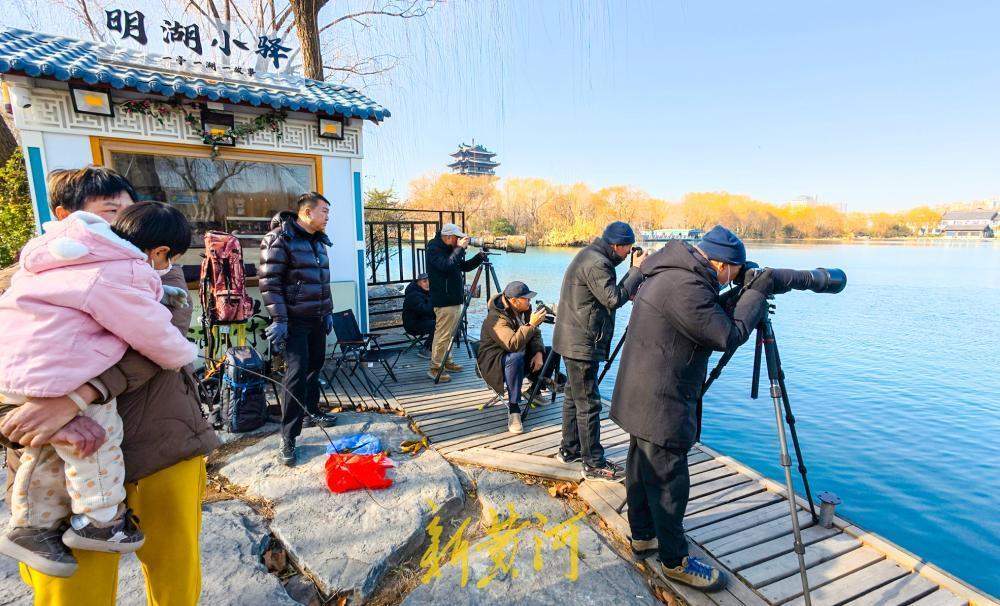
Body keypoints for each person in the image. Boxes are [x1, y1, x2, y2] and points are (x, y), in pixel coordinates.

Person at [0, 165, 219, 604]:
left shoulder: (157, 272)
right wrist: (17, 415)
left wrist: (76, 397)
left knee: (175, 572)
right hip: (59, 461)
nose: (121, 227)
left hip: (161, 445)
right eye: (110, 213)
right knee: (72, 589)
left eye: (127, 213)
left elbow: (161, 345)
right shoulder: (19, 281)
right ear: (65, 216)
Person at [609, 225, 771, 591]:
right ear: (720, 264)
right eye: (734, 271)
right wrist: (755, 296)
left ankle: (644, 536)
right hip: (661, 401)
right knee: (668, 481)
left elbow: (703, 317)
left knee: (640, 469)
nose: (733, 277)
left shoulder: (672, 272)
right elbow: (725, 335)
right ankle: (675, 561)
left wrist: (736, 297)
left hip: (641, 394)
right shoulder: (687, 286)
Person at [552, 221, 645, 482]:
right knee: (589, 403)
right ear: (617, 245)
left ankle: (570, 450)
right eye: (628, 249)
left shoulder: (592, 255)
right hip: (581, 343)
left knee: (574, 396)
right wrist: (636, 271)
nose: (629, 253)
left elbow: (607, 288)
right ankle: (593, 463)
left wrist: (630, 271)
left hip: (572, 338)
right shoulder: (597, 263)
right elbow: (613, 298)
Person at [259, 192, 339, 467]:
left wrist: (327, 312)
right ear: (307, 213)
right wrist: (279, 320)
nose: (328, 217)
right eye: (324, 211)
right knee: (295, 374)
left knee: (315, 366)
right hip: (293, 321)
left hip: (317, 317)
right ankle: (288, 436)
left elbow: (323, 282)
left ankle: (311, 411)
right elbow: (270, 283)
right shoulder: (280, 239)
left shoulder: (318, 242)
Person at [477, 281, 562, 434]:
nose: (529, 301)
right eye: (526, 298)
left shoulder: (524, 309)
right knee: (515, 357)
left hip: (516, 355)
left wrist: (538, 353)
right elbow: (512, 344)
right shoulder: (495, 318)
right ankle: (514, 409)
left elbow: (535, 334)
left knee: (552, 351)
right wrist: (531, 325)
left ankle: (534, 390)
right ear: (514, 301)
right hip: (493, 363)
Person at [424, 223, 485, 383]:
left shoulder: (449, 249)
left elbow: (462, 267)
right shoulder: (434, 249)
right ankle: (435, 367)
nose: (459, 240)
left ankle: (447, 361)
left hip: (454, 298)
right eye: (457, 238)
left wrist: (479, 257)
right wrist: (459, 249)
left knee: (450, 333)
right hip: (444, 300)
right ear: (449, 237)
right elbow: (446, 266)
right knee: (442, 335)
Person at [402, 273, 435, 359]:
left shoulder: (425, 292)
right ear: (418, 283)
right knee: (437, 325)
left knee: (444, 321)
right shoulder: (413, 295)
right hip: (412, 324)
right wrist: (433, 298)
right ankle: (426, 349)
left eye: (429, 281)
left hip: (422, 320)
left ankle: (437, 348)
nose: (427, 283)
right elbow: (425, 310)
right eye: (424, 281)